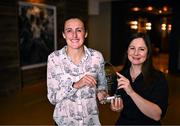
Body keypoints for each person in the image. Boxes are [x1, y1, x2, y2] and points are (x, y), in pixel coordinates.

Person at [47, 17, 108, 126]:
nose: (74, 35)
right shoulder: (54, 59)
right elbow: (52, 98)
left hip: (91, 122)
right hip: (63, 123)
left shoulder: (97, 57)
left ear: (85, 34)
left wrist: (102, 94)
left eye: (79, 30)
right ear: (63, 34)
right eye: (69, 30)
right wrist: (76, 85)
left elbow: (102, 86)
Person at [110, 32, 169, 125]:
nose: (136, 53)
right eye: (132, 48)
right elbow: (119, 106)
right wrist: (117, 107)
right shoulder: (120, 76)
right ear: (127, 51)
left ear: (148, 52)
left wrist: (131, 92)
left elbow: (157, 115)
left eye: (141, 49)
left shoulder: (159, 78)